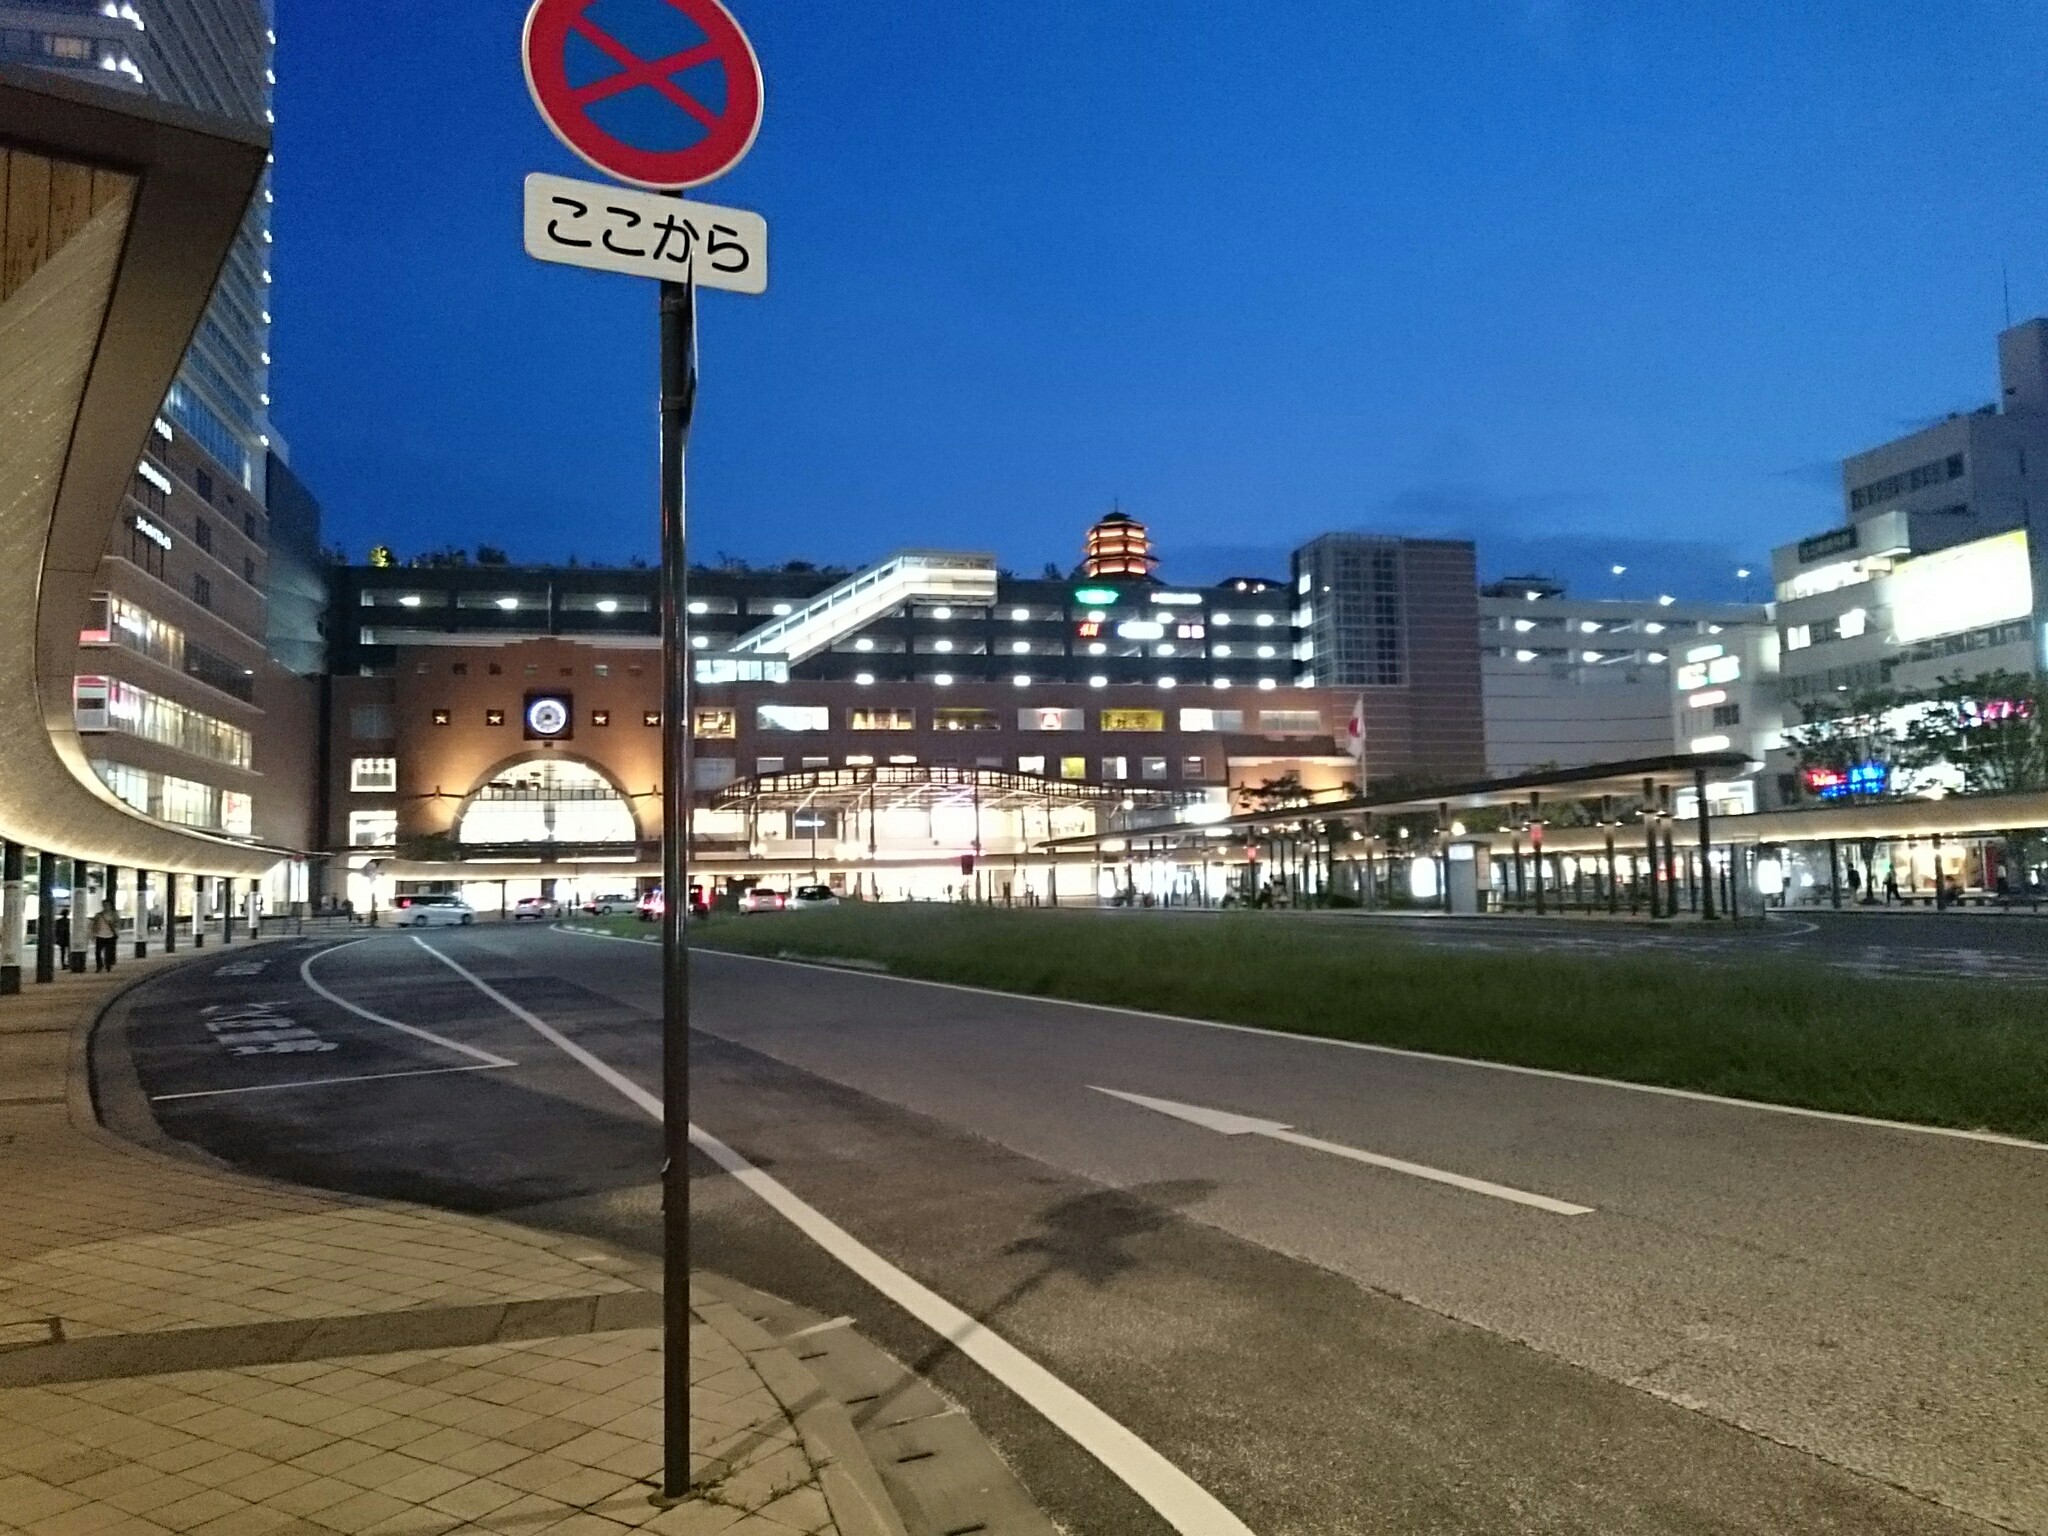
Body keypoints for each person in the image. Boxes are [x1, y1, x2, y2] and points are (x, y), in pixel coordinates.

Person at [90, 903, 118, 973]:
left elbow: (117, 924)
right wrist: (93, 934)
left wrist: (115, 930)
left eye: (107, 906)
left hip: (110, 936)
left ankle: (108, 965)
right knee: (98, 953)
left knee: (108, 953)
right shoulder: (98, 915)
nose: (106, 907)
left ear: (110, 906)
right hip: (99, 936)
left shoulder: (114, 915)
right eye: (105, 905)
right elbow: (94, 924)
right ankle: (99, 966)